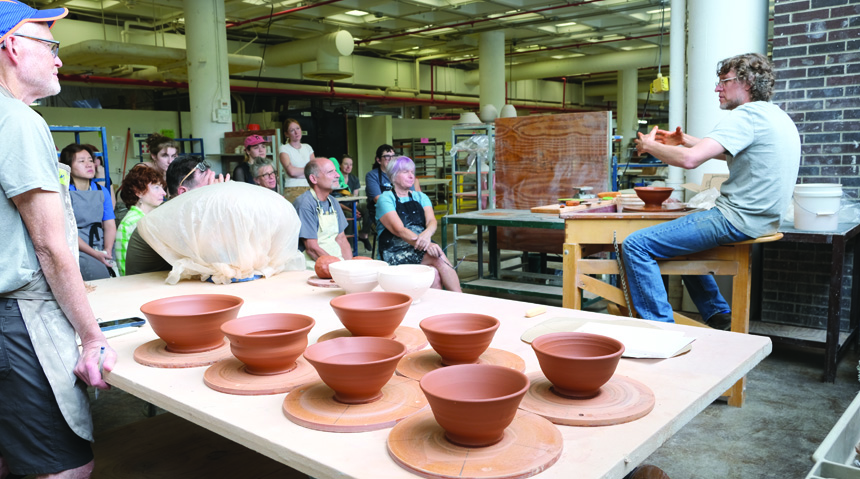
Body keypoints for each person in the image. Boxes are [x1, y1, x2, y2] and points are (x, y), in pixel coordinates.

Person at [0, 2, 115, 477]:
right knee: (63, 467)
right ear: (9, 46)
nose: (58, 58)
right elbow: (49, 245)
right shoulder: (19, 121)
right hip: (19, 321)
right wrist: (91, 338)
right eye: (49, 45)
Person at [625, 52, 800, 329]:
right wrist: (684, 140)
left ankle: (661, 331)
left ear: (747, 82)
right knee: (676, 241)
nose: (717, 88)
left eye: (724, 81)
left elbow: (689, 160)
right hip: (764, 219)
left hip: (736, 219)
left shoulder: (745, 116)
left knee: (635, 245)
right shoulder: (774, 115)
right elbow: (730, 150)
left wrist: (649, 146)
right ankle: (717, 313)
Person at [124, 156, 229, 275]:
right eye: (208, 187)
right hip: (147, 290)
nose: (211, 194)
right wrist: (217, 199)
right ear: (183, 193)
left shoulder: (183, 213)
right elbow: (215, 257)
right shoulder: (168, 219)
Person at [376, 156, 461, 292]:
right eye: (405, 172)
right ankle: (460, 299)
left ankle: (437, 309)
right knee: (437, 257)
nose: (411, 176)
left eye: (412, 172)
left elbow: (432, 221)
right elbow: (400, 230)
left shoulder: (421, 197)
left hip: (419, 246)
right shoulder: (386, 199)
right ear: (393, 175)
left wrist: (427, 235)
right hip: (394, 251)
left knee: (434, 274)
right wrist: (428, 244)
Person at [60, 143, 116, 280]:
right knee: (97, 275)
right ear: (69, 167)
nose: (89, 164)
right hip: (77, 247)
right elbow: (67, 231)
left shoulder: (101, 191)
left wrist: (107, 249)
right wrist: (94, 253)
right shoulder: (64, 193)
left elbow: (109, 224)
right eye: (81, 161)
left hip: (100, 244)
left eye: (90, 160)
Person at [294, 158, 353, 262]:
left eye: (336, 170)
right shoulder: (305, 204)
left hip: (336, 263)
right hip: (313, 267)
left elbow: (342, 239)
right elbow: (312, 249)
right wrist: (338, 268)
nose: (338, 175)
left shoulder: (333, 202)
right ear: (313, 179)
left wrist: (349, 266)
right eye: (331, 172)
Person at [114, 164, 166, 275]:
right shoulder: (130, 222)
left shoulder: (152, 217)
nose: (163, 192)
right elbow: (125, 266)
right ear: (138, 192)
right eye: (156, 187)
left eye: (162, 187)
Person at [339, 154, 371, 251]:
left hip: (351, 205)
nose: (349, 167)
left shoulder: (354, 179)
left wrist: (355, 209)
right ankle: (350, 248)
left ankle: (363, 235)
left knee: (368, 208)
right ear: (340, 165)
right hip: (340, 208)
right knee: (350, 216)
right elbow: (336, 202)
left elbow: (355, 198)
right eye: (346, 164)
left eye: (351, 164)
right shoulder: (336, 178)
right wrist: (353, 211)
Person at [279, 118, 314, 203]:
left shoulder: (308, 147)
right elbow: (291, 172)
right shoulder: (284, 148)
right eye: (292, 130)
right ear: (286, 134)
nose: (296, 132)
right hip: (292, 189)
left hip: (310, 188)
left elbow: (314, 170)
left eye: (298, 128)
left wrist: (298, 171)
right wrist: (307, 172)